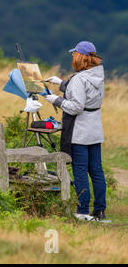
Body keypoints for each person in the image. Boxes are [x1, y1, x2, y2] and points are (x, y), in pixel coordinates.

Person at [44, 41, 106, 221]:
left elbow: (76, 106)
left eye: (74, 54)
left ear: (80, 56)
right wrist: (61, 83)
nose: (72, 56)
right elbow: (83, 91)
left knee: (80, 171)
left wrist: (56, 100)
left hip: (80, 132)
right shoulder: (97, 75)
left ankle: (83, 210)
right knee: (96, 171)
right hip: (94, 129)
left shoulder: (79, 78)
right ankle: (100, 210)